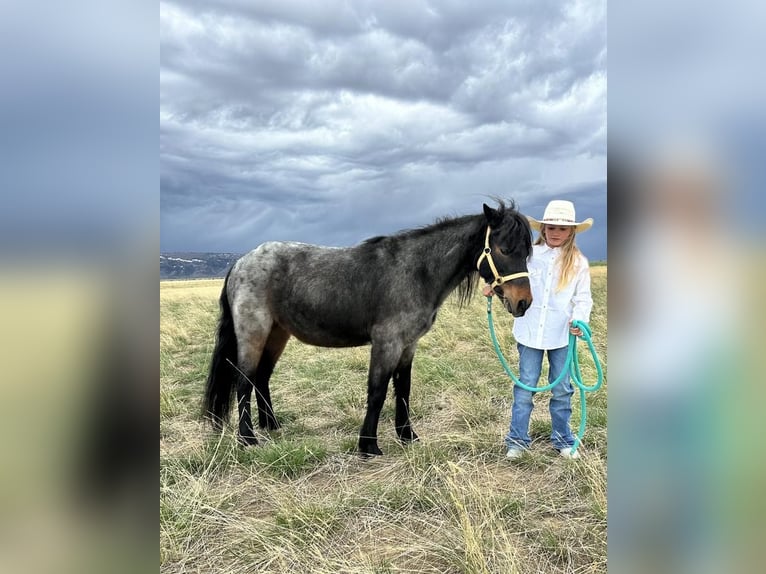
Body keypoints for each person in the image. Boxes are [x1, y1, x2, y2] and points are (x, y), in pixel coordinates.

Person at [485, 199, 593, 460]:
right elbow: (511, 278)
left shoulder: (578, 263)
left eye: (562, 229)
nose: (555, 233)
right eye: (550, 227)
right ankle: (517, 440)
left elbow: (583, 298)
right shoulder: (529, 256)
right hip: (530, 332)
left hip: (561, 336)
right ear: (543, 229)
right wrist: (493, 287)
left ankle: (562, 438)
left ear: (571, 232)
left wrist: (579, 320)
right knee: (525, 387)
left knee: (562, 389)